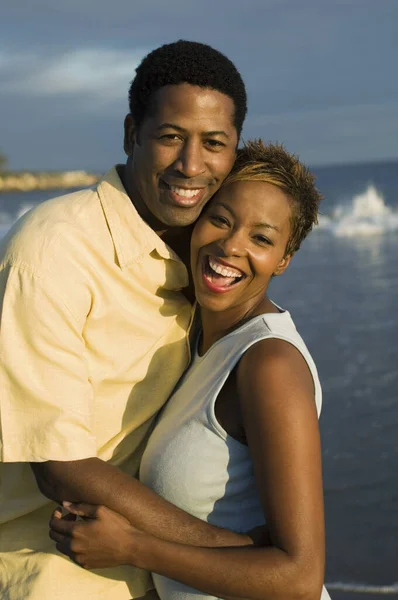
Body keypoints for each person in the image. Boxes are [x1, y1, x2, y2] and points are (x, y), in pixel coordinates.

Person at [0, 40, 252, 600]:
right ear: (130, 133)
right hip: (53, 572)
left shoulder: (206, 252)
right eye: (169, 137)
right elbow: (60, 466)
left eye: (214, 143)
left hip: (165, 578)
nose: (191, 164)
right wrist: (236, 553)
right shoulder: (51, 252)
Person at [49, 141, 331, 600]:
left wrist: (134, 548)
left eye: (261, 238)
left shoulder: (269, 364)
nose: (231, 245)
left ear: (283, 260)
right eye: (221, 218)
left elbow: (299, 579)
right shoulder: (195, 333)